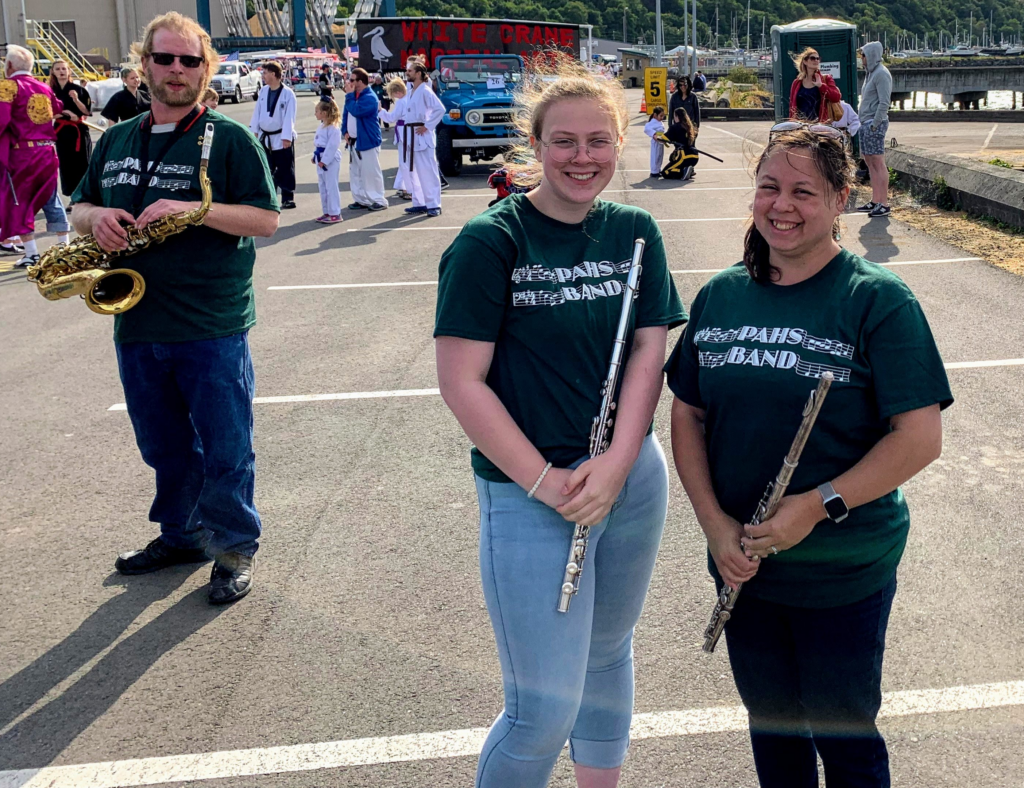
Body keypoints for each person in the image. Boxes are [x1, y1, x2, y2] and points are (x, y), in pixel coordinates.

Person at [665, 125, 952, 788]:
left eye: (803, 191)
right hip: (744, 565)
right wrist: (714, 526)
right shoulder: (721, 296)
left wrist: (818, 506)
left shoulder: (876, 300)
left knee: (844, 740)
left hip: (842, 572)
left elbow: (919, 437)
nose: (782, 205)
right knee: (774, 734)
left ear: (841, 199)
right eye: (769, 187)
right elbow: (688, 414)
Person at [434, 59, 685, 788]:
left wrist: (618, 463)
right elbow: (461, 382)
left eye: (598, 141)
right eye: (565, 142)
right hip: (532, 490)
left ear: (619, 143)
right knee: (540, 711)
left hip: (630, 477)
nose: (583, 157)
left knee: (607, 657)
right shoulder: (492, 241)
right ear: (536, 145)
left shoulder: (636, 230)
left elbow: (648, 354)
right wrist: (548, 483)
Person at [70, 11, 280, 604]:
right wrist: (96, 217)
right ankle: (182, 535)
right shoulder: (117, 138)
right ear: (144, 66)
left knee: (226, 446)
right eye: (165, 58)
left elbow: (265, 220)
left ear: (205, 69)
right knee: (163, 445)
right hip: (137, 321)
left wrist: (194, 210)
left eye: (190, 60)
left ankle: (234, 547)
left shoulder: (228, 139)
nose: (177, 70)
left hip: (210, 323)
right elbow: (78, 206)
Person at [0, 45, 62, 268]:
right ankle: (64, 246)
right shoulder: (43, 86)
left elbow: (2, 119)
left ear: (9, 65)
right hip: (48, 151)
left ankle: (32, 252)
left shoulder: (8, 86)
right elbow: (57, 107)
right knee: (51, 198)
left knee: (19, 200)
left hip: (23, 153)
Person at [250, 60, 297, 209]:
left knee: (285, 168)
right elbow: (257, 112)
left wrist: (286, 137)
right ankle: (270, 197)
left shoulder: (288, 94)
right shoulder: (263, 91)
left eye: (265, 73)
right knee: (267, 169)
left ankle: (288, 197)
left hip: (281, 137)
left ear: (273, 74)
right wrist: (254, 131)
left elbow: (290, 117)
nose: (263, 76)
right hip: (265, 137)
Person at [400, 60, 444, 217]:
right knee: (414, 172)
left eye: (410, 71)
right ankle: (419, 203)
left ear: (418, 73)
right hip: (411, 135)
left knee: (428, 172)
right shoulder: (412, 90)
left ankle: (434, 204)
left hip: (422, 135)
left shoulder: (425, 90)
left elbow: (440, 109)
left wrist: (428, 125)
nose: (407, 73)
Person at [342, 67, 387, 212]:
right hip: (354, 141)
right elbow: (346, 114)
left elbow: (357, 111)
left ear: (360, 81)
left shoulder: (370, 97)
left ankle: (378, 200)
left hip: (367, 140)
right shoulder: (353, 96)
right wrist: (345, 131)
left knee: (370, 172)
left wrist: (349, 96)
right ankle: (361, 199)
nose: (349, 83)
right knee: (356, 172)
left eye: (352, 80)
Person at [856, 42, 894, 218]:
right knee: (870, 162)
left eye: (863, 55)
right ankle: (875, 199)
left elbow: (884, 102)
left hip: (873, 123)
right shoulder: (870, 73)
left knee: (878, 162)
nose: (861, 58)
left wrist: (875, 124)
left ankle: (883, 203)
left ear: (871, 55)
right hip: (866, 122)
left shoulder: (881, 74)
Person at [49, 59, 92, 199]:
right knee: (66, 164)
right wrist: (65, 114)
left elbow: (86, 111)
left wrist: (76, 100)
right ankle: (72, 196)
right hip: (62, 131)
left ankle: (85, 197)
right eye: (58, 69)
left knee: (82, 164)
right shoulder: (50, 91)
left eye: (64, 68)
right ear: (53, 72)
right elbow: (48, 113)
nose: (61, 71)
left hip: (78, 130)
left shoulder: (79, 89)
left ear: (69, 71)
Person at [787, 48, 841, 123]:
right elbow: (792, 106)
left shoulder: (826, 78)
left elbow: (836, 98)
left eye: (818, 58)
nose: (816, 60)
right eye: (812, 58)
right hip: (801, 125)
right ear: (805, 61)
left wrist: (821, 86)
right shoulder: (797, 83)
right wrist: (792, 123)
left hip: (820, 125)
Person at [378, 77, 410, 199]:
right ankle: (402, 186)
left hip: (403, 132)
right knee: (406, 160)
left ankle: (407, 188)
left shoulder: (401, 101)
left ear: (397, 92)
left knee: (404, 161)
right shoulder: (410, 97)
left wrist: (381, 111)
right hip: (408, 131)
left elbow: (392, 118)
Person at [312, 97, 342, 223]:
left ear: (324, 113)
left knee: (331, 186)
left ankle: (335, 213)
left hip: (330, 160)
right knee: (323, 187)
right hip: (320, 157)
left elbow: (332, 146)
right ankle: (327, 211)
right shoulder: (322, 126)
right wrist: (315, 157)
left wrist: (325, 160)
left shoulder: (333, 128)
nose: (315, 114)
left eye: (317, 111)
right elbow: (318, 143)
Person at [659, 107, 699, 180]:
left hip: (683, 156)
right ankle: (689, 170)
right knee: (673, 166)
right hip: (694, 156)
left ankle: (683, 171)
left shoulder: (675, 127)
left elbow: (664, 139)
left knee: (665, 172)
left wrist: (656, 137)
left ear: (677, 116)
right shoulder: (692, 126)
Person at [644, 105, 666, 177]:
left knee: (660, 156)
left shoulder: (660, 122)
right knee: (655, 156)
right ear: (655, 115)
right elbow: (647, 129)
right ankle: (654, 171)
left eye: (663, 116)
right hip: (655, 142)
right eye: (660, 116)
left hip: (661, 141)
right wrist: (654, 134)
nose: (662, 117)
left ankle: (658, 169)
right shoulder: (652, 122)